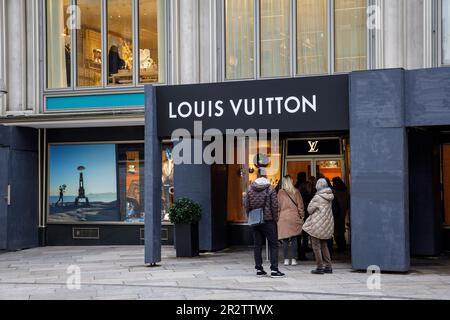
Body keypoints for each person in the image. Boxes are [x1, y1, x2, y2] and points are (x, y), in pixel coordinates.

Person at [245, 169, 285, 278]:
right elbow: (274, 206)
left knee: (257, 245)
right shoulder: (270, 189)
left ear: (257, 176)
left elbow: (247, 205)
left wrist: (250, 216)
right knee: (273, 244)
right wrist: (275, 219)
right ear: (266, 176)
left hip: (255, 220)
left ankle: (259, 269)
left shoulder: (250, 188)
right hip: (268, 220)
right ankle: (274, 269)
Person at [303, 178, 335, 275]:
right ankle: (328, 266)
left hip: (317, 224)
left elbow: (309, 210)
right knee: (324, 245)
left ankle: (319, 267)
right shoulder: (329, 196)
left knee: (316, 246)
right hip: (326, 224)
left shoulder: (317, 197)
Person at [277, 176, 304, 266]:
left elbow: (278, 207)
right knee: (294, 239)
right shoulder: (296, 191)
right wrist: (302, 217)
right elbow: (300, 206)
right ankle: (293, 259)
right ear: (291, 181)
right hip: (294, 217)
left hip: (283, 217)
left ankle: (285, 259)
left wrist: (277, 218)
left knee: (285, 240)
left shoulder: (280, 192)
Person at [297, 180, 314, 260]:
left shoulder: (298, 195)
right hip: (307, 217)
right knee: (306, 236)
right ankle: (303, 253)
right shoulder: (309, 196)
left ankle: (300, 253)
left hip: (300, 217)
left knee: (299, 237)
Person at [332, 177, 349, 252]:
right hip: (343, 212)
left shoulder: (334, 191)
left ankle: (340, 246)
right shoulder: (346, 191)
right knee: (341, 229)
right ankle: (343, 245)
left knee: (336, 230)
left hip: (336, 212)